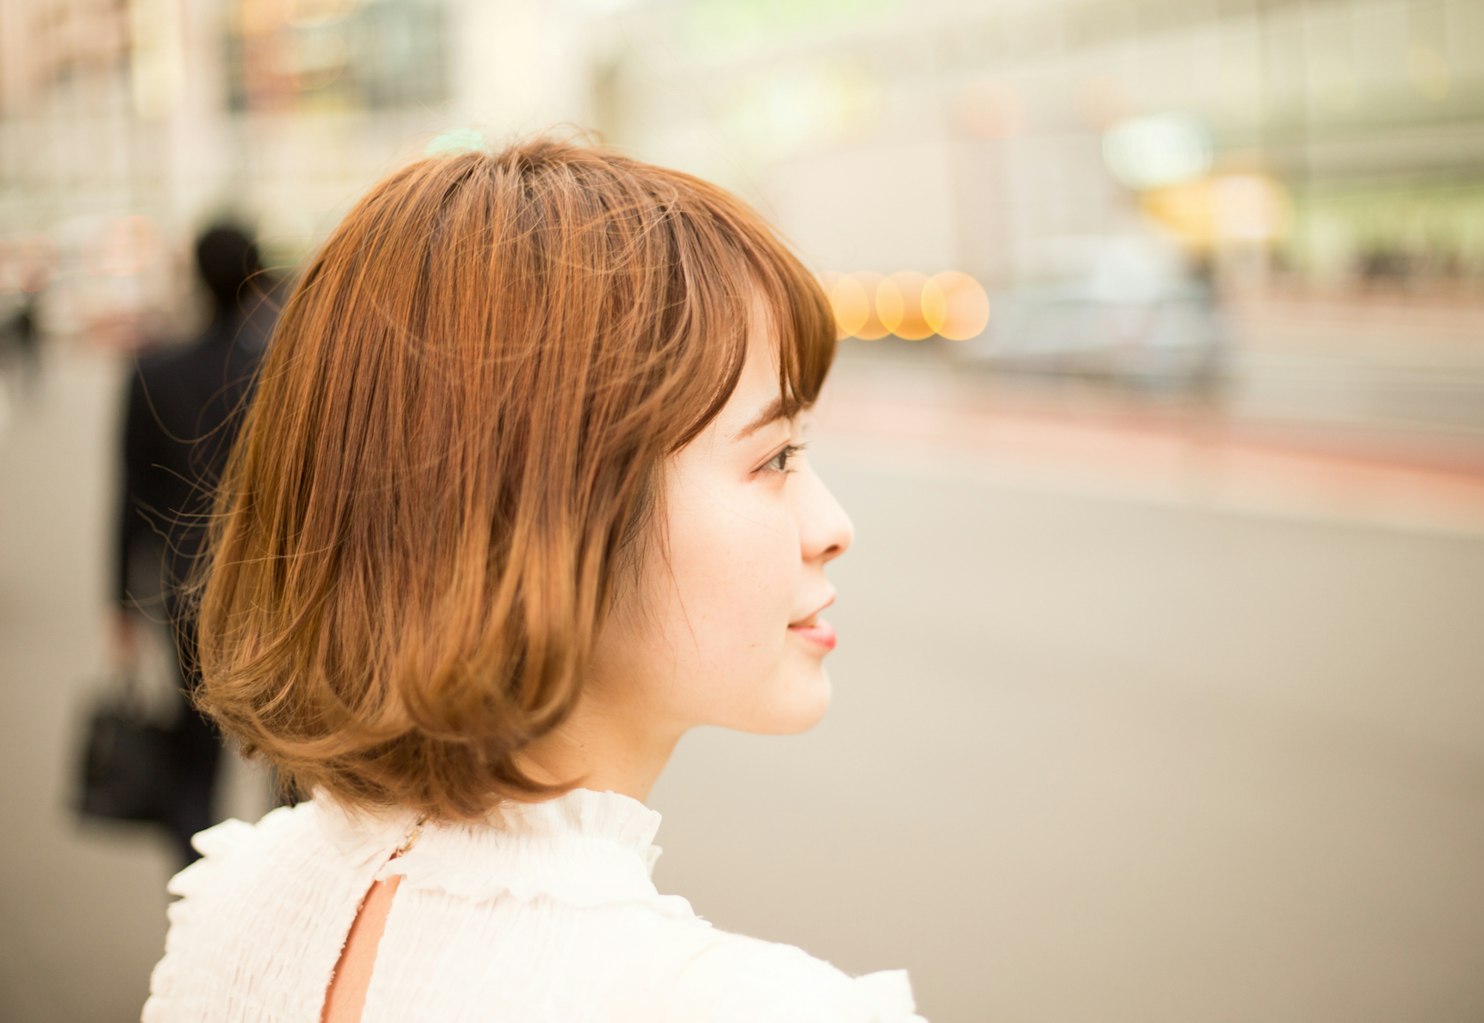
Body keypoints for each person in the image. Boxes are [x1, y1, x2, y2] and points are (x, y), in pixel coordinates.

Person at [140, 133, 927, 1021]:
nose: (833, 528)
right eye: (776, 455)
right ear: (556, 508)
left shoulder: (236, 907)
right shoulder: (748, 1005)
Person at [110, 220, 278, 867]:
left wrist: (117, 602)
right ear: (256, 277)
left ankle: (194, 891)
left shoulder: (153, 370)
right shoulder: (278, 367)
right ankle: (280, 886)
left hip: (182, 589)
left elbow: (126, 496)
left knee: (193, 752)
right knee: (287, 751)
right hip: (273, 587)